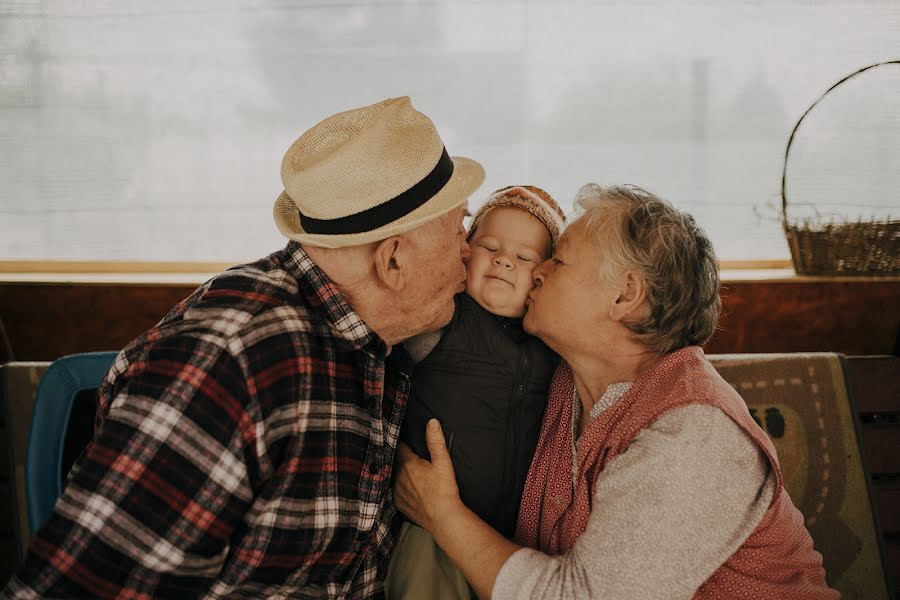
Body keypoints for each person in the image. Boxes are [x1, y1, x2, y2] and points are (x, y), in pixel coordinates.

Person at [3, 96, 485, 599]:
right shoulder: (230, 365)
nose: (468, 252)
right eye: (458, 230)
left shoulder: (374, 338)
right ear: (392, 263)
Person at [394, 183, 839, 599]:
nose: (537, 271)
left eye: (558, 260)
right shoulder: (567, 381)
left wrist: (443, 515)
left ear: (625, 296)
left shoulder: (693, 434)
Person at [385, 186, 566, 600]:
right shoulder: (442, 319)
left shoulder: (549, 345)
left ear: (543, 278)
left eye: (524, 257)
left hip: (512, 536)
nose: (504, 259)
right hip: (429, 529)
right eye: (490, 246)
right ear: (464, 251)